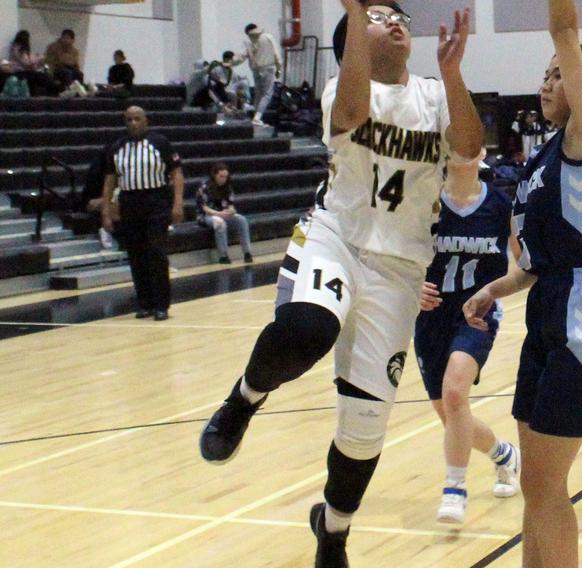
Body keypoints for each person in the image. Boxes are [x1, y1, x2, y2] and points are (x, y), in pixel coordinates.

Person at [198, 3, 483, 566]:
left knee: (364, 429)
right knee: (308, 328)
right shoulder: (341, 88)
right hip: (337, 237)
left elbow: (469, 150)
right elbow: (352, 113)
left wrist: (453, 76)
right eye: (378, 16)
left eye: (399, 15)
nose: (396, 20)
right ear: (353, 35)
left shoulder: (431, 94)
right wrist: (355, 14)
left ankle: (333, 530)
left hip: (400, 269)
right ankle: (244, 398)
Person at [463, 2, 582, 565]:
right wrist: (493, 290)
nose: (546, 81)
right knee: (536, 489)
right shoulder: (542, 160)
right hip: (547, 308)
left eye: (558, 73)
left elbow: (564, 28)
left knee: (546, 487)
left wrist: (565, 43)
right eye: (545, 73)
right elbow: (534, 264)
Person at [414, 151, 521, 525]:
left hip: (476, 314)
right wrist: (411, 287)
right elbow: (395, 258)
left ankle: (455, 488)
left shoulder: (502, 204)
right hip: (429, 317)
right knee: (452, 415)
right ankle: (504, 455)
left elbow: (526, 264)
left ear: (479, 152)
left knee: (456, 392)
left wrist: (493, 294)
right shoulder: (422, 200)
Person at [101, 106, 184, 321]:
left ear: (145, 120)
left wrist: (177, 204)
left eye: (137, 119)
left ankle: (161, 304)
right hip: (129, 202)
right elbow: (110, 180)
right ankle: (145, 303)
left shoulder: (160, 143)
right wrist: (106, 210)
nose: (133, 123)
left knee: (156, 251)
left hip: (156, 200)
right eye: (128, 119)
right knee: (136, 254)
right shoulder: (117, 147)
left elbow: (177, 174)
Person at [196, 162, 253, 264]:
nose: (223, 179)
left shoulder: (228, 187)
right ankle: (223, 255)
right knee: (219, 222)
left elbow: (230, 204)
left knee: (241, 220)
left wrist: (231, 211)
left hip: (222, 213)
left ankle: (247, 252)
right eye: (221, 176)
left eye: (225, 177)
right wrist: (218, 214)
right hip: (207, 215)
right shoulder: (204, 187)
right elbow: (204, 207)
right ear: (214, 175)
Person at [232, 23, 282, 126]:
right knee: (267, 94)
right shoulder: (268, 37)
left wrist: (230, 63)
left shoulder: (248, 42)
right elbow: (276, 54)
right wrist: (279, 68)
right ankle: (257, 117)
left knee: (258, 94)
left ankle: (255, 116)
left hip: (256, 70)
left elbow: (241, 57)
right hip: (268, 68)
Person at [8, 30, 57, 96]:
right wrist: (37, 59)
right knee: (43, 77)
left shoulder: (24, 50)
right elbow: (26, 64)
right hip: (19, 72)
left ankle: (54, 92)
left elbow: (30, 63)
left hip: (27, 71)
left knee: (44, 75)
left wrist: (38, 62)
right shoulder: (17, 49)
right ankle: (56, 92)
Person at [45, 29, 94, 96]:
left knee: (79, 74)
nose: (65, 40)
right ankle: (68, 91)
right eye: (64, 38)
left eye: (68, 38)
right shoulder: (53, 47)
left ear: (73, 40)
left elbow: (74, 63)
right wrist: (51, 77)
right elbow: (50, 62)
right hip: (57, 69)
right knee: (68, 73)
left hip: (70, 68)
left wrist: (71, 63)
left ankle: (81, 91)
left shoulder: (74, 51)